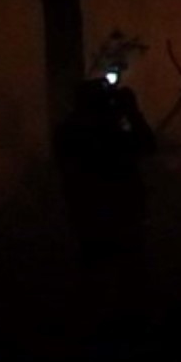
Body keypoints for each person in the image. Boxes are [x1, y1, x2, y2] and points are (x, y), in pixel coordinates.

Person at [54, 32, 157, 269]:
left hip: (91, 221)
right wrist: (132, 112)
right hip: (114, 221)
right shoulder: (98, 134)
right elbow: (147, 146)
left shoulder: (69, 130)